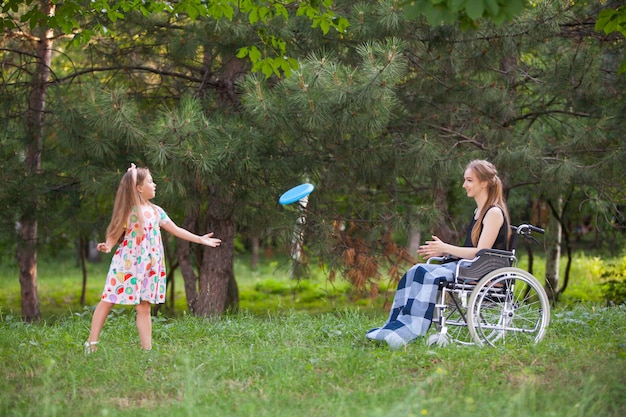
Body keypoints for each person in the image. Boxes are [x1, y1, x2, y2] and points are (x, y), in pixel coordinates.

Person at [366, 160, 510, 349]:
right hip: (468, 267)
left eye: (469, 180)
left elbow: (480, 252)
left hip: (482, 271)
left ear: (484, 183)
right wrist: (444, 250)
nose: (464, 185)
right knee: (416, 270)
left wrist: (445, 248)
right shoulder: (479, 212)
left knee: (429, 275)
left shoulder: (494, 213)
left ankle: (412, 330)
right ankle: (397, 325)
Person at [85, 163, 222, 353]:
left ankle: (147, 351)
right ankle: (91, 344)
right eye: (150, 181)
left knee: (144, 307)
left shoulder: (157, 211)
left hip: (149, 265)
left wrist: (199, 239)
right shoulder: (129, 211)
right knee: (108, 299)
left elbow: (176, 230)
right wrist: (107, 246)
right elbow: (114, 233)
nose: (155, 184)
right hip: (127, 264)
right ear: (139, 188)